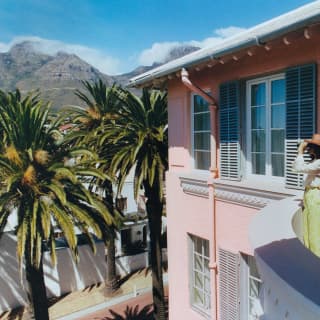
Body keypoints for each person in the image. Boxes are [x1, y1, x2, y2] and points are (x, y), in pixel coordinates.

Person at [293, 133, 320, 257]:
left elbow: (298, 168)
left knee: (315, 229)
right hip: (311, 194)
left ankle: (316, 259)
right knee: (308, 226)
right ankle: (310, 255)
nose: (308, 148)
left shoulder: (319, 163)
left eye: (310, 146)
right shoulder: (315, 161)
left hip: (316, 195)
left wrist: (300, 151)